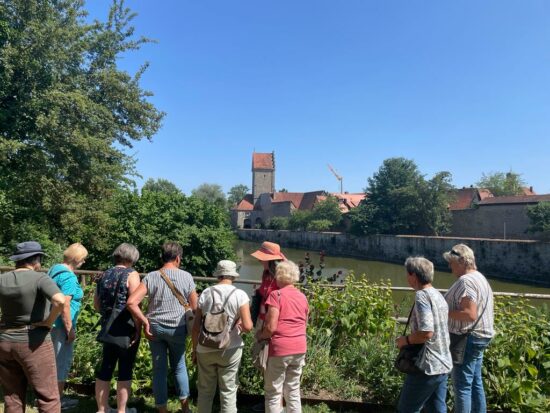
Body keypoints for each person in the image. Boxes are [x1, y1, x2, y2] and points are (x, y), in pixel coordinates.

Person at [127, 242, 198, 413]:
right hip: (177, 328)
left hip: (155, 328)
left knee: (159, 370)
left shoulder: (151, 276)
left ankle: (162, 410)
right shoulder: (187, 276)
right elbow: (195, 307)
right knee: (179, 366)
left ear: (162, 257)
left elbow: (131, 302)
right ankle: (185, 408)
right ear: (178, 258)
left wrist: (145, 321)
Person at [0, 241, 65, 413]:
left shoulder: (2, 279)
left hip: (4, 342)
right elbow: (60, 300)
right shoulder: (40, 278)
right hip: (34, 342)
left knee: (12, 397)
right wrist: (48, 322)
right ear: (36, 260)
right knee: (48, 397)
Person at [192, 260, 253, 413]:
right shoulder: (240, 295)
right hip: (230, 349)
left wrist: (194, 350)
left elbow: (196, 327)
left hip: (204, 348)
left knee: (205, 391)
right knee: (228, 391)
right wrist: (238, 323)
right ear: (233, 276)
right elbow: (248, 327)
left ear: (218, 275)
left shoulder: (206, 292)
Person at [396, 257, 452, 413]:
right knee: (436, 408)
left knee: (406, 409)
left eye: (407, 274)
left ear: (413, 276)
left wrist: (404, 340)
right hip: (443, 363)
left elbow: (427, 332)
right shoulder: (437, 294)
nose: (407, 278)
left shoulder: (422, 296)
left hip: (427, 366)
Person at [443, 244, 494, 413]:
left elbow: (469, 314)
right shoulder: (480, 277)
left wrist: (443, 311)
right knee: (475, 382)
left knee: (462, 386)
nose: (450, 267)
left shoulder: (466, 281)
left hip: (468, 339)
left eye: (451, 263)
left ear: (462, 261)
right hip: (480, 336)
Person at [94, 243, 141, 413]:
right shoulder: (132, 274)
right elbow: (134, 303)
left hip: (108, 326)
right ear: (132, 257)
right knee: (125, 368)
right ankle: (122, 410)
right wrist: (138, 328)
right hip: (125, 327)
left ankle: (102, 409)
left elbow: (96, 305)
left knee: (106, 366)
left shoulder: (104, 274)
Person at [256, 261, 309, 413]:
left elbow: (271, 327)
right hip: (299, 347)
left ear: (279, 276)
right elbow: (304, 323)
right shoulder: (302, 297)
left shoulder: (276, 295)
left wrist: (260, 335)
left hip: (280, 349)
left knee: (273, 392)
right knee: (293, 390)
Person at [48, 242, 88, 410]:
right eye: (83, 259)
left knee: (51, 362)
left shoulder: (54, 270)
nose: (84, 262)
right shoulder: (69, 277)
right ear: (77, 258)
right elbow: (64, 304)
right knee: (61, 362)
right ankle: (57, 401)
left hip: (50, 323)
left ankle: (48, 398)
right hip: (61, 326)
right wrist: (69, 329)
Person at [251, 241, 286, 329]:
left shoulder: (282, 276)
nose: (259, 260)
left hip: (274, 320)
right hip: (262, 317)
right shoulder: (266, 273)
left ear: (271, 260)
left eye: (262, 258)